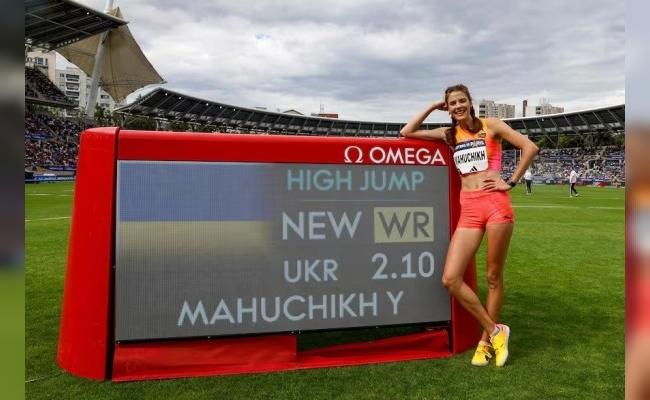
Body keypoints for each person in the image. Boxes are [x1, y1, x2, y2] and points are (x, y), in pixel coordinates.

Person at [400, 84, 539, 367]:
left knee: (493, 277)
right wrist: (431, 107)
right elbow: (407, 132)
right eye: (452, 103)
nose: (458, 106)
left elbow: (530, 147)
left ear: (470, 102)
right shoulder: (449, 134)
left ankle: (485, 343)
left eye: (462, 100)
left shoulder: (492, 125)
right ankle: (495, 329)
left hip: (496, 204)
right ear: (447, 108)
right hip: (470, 209)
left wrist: (510, 181)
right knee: (450, 278)